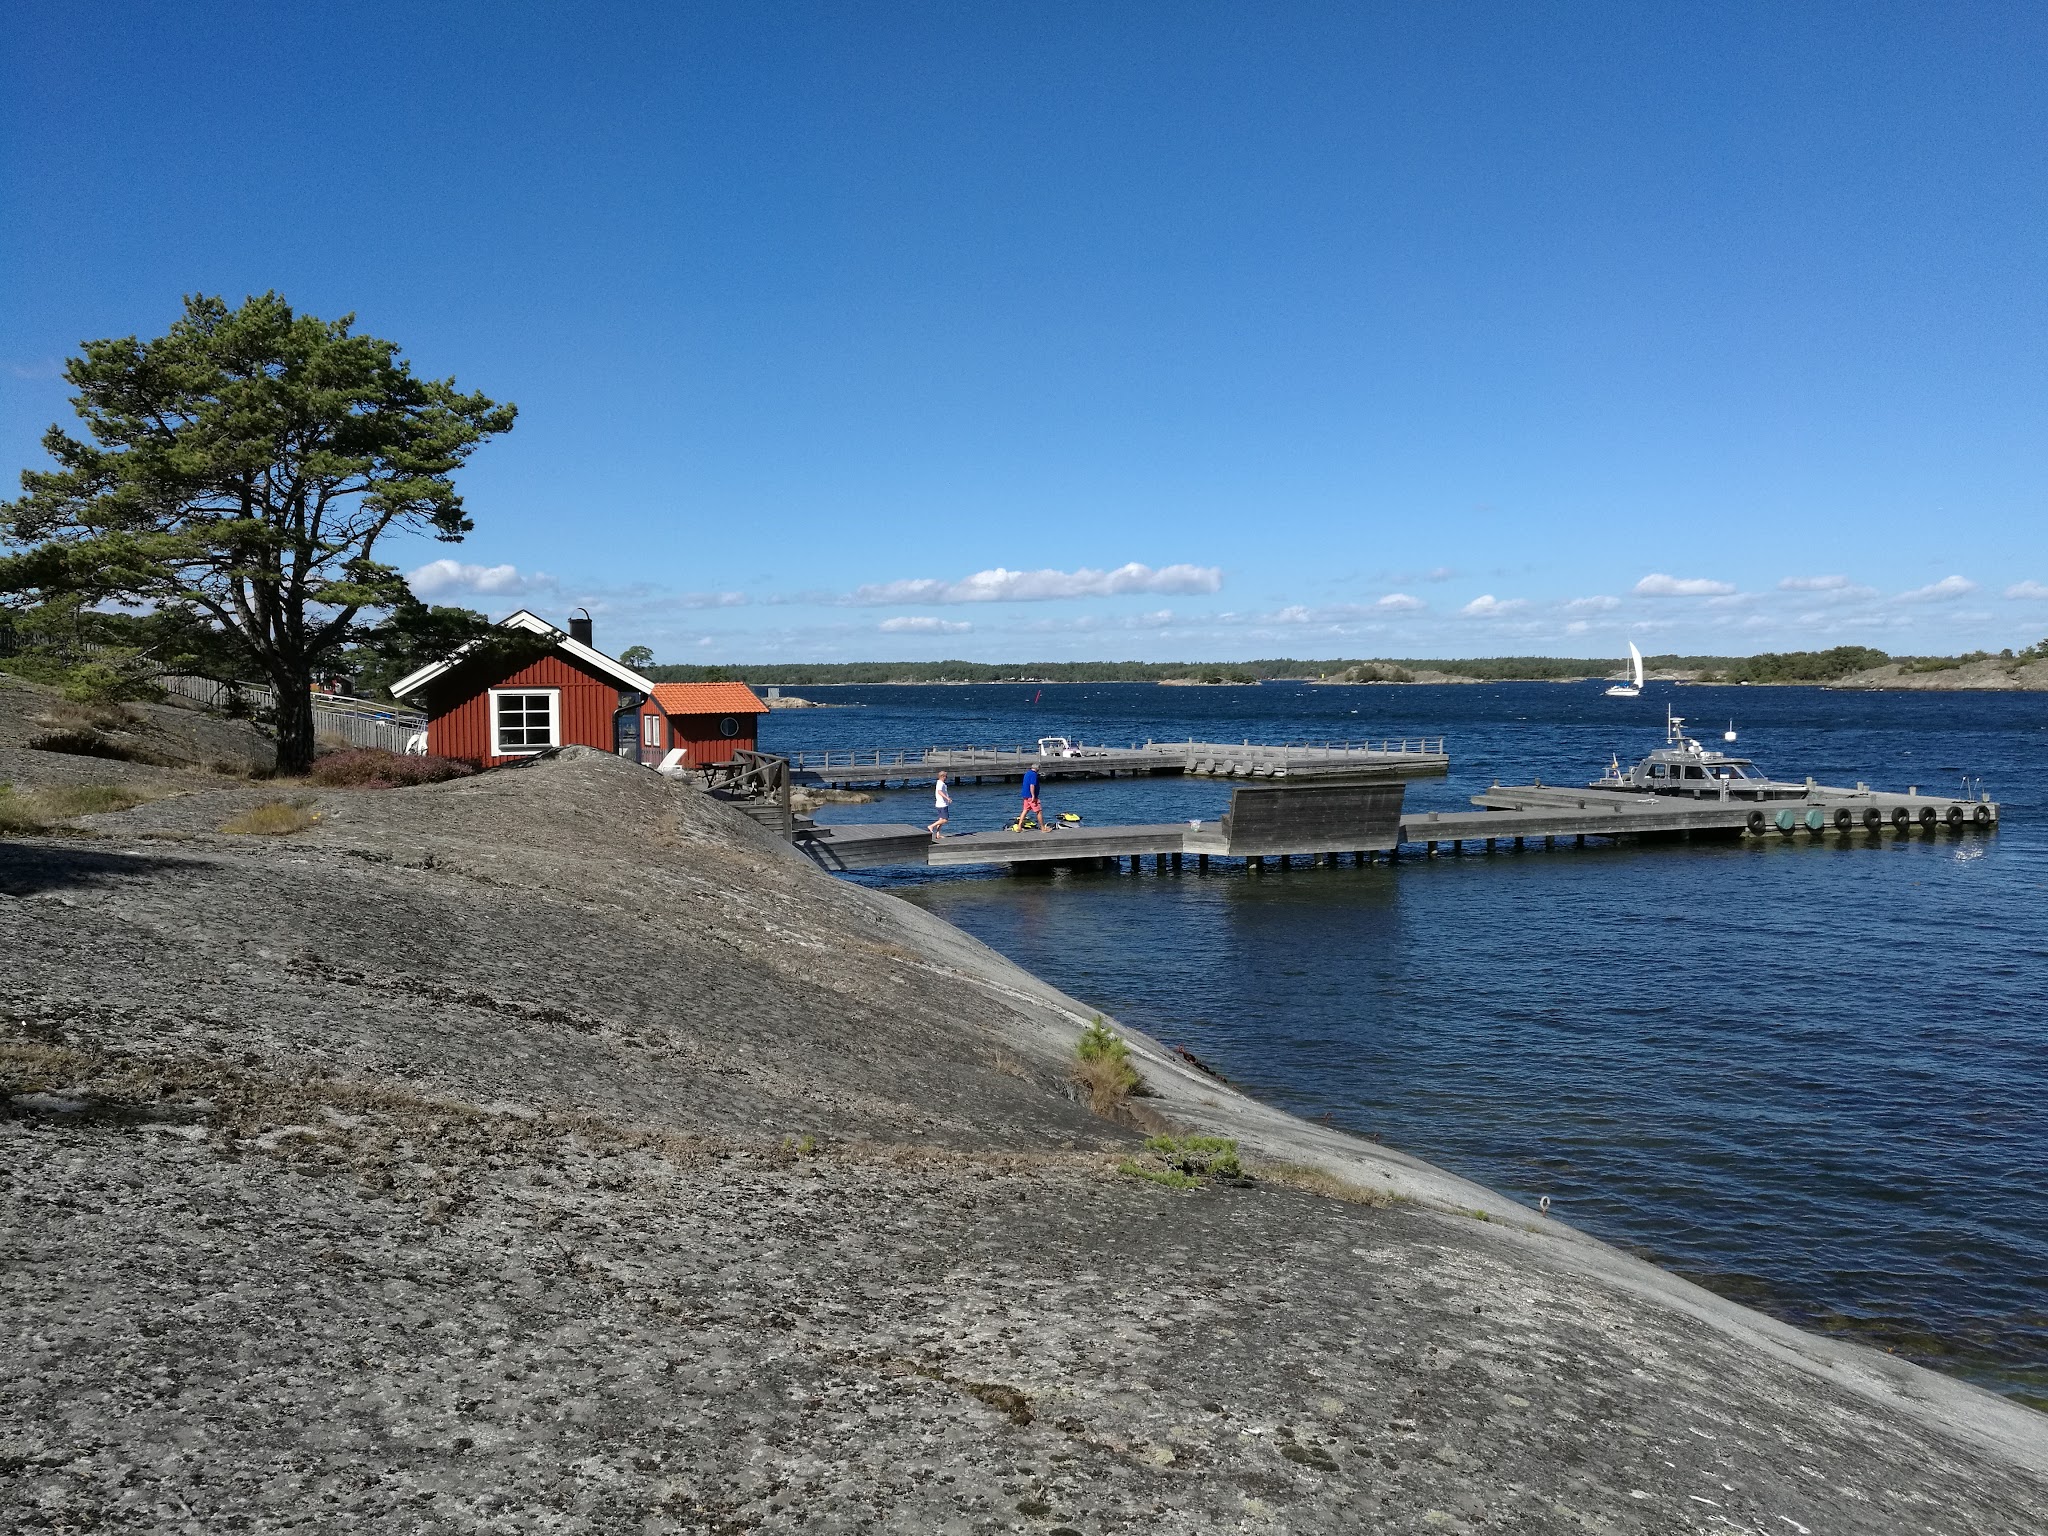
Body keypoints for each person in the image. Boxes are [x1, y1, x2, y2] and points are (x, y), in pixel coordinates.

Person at [1014, 763, 1049, 832]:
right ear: (1038, 768)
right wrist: (1033, 795)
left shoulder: (1027, 773)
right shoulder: (1034, 775)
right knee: (1039, 811)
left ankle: (1019, 826)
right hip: (1031, 796)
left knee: (1025, 810)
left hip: (1025, 795)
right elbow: (1032, 785)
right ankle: (1043, 828)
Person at [927, 770, 953, 838]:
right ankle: (931, 826)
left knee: (941, 819)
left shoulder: (939, 782)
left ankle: (938, 834)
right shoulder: (941, 784)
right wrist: (947, 798)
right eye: (946, 776)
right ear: (943, 777)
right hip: (942, 804)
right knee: (945, 820)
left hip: (939, 804)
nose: (946, 778)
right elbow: (939, 792)